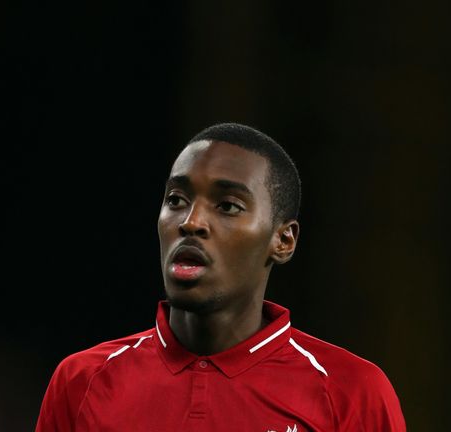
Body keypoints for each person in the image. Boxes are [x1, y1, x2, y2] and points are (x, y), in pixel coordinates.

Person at [35, 123, 406, 431]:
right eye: (176, 200)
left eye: (228, 206)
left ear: (283, 240)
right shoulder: (81, 382)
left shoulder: (352, 392)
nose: (191, 222)